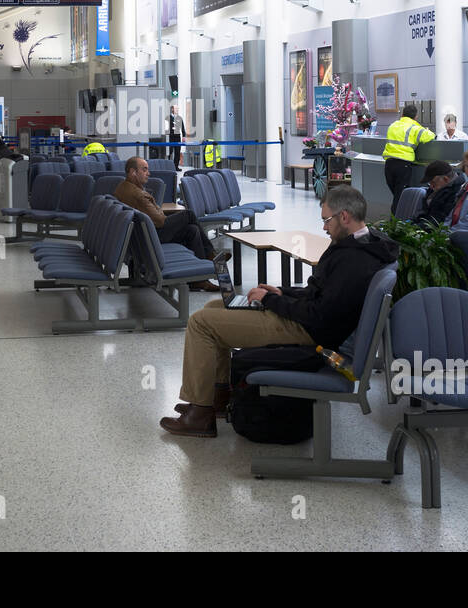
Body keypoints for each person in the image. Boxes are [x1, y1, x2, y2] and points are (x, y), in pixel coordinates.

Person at [160, 186, 399, 437]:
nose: (324, 227)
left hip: (309, 333)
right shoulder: (360, 245)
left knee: (201, 322)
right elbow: (320, 295)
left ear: (345, 217)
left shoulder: (353, 259)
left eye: (326, 220)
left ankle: (200, 414)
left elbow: (319, 315)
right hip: (309, 323)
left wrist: (272, 302)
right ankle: (217, 397)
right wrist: (282, 293)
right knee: (214, 307)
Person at [115, 157, 228, 292]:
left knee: (192, 230)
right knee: (189, 214)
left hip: (142, 236)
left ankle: (199, 280)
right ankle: (211, 255)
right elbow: (160, 221)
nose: (148, 173)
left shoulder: (122, 187)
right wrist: (162, 213)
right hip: (151, 238)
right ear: (133, 172)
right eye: (144, 170)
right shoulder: (138, 195)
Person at [382, 103, 435, 215]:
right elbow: (430, 136)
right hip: (403, 165)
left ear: (402, 114)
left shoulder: (393, 125)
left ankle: (395, 222)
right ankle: (396, 224)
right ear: (416, 117)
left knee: (397, 195)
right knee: (400, 197)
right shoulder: (415, 128)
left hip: (389, 164)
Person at [416, 159, 462, 226]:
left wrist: (417, 227)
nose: (431, 186)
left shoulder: (457, 193)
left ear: (446, 179)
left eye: (433, 183)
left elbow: (440, 220)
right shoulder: (437, 188)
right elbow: (424, 213)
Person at [167, 105, 188, 170]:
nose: (177, 110)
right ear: (172, 109)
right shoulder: (168, 118)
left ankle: (176, 167)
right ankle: (169, 167)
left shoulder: (179, 118)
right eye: (176, 109)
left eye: (178, 109)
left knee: (177, 152)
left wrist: (184, 136)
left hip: (177, 137)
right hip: (170, 137)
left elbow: (182, 127)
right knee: (169, 152)